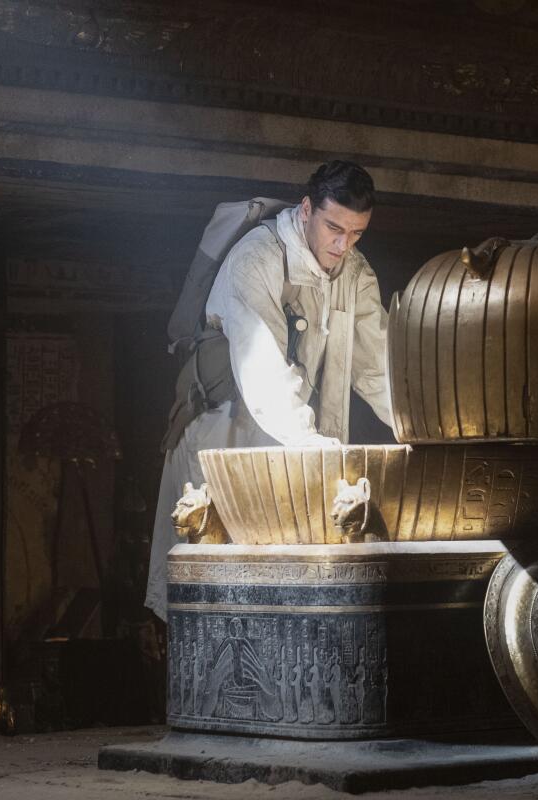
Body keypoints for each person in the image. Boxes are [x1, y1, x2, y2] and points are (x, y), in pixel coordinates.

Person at [145, 161, 394, 619]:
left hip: (293, 447)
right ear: (306, 210)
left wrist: (417, 423)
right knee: (214, 603)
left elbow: (378, 369)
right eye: (333, 228)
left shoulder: (355, 273)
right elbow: (263, 373)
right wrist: (314, 447)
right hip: (226, 439)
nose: (342, 244)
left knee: (283, 607)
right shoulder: (257, 257)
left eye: (356, 233)